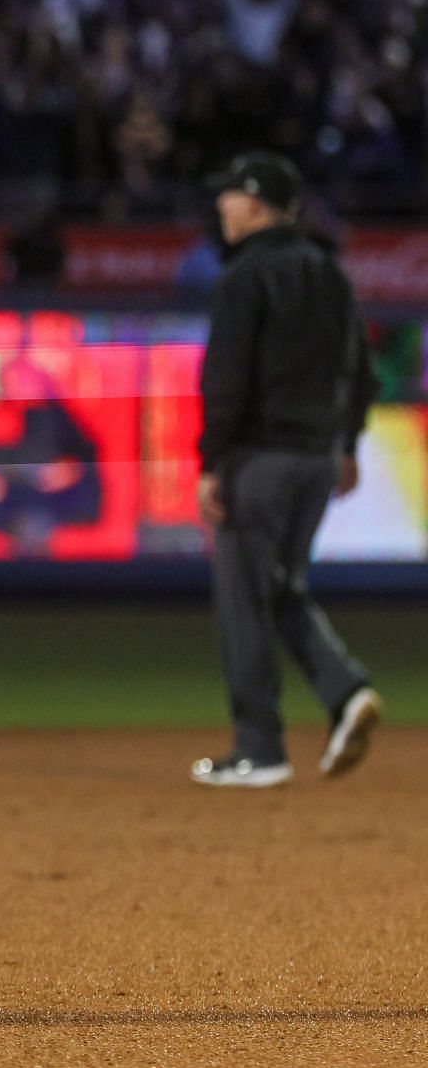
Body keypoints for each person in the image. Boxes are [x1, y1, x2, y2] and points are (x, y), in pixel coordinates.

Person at [190, 150, 382, 789]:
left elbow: (226, 378)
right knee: (280, 588)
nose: (220, 206)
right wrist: (348, 444)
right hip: (318, 461)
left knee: (245, 597)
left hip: (260, 460)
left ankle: (258, 748)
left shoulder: (246, 275)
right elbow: (361, 371)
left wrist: (212, 460)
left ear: (255, 203)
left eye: (229, 196)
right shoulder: (330, 272)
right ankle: (344, 688)